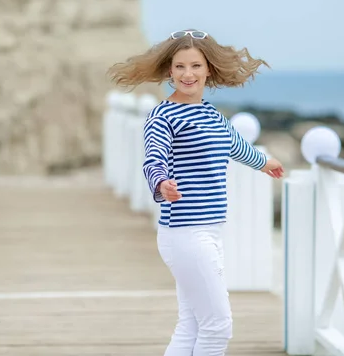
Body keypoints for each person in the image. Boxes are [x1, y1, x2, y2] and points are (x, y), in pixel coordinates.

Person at [107, 29, 284, 356]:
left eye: (195, 66)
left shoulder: (212, 116)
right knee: (218, 326)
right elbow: (153, 158)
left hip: (209, 231)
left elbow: (236, 146)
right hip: (184, 233)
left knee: (191, 323)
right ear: (169, 72)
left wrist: (265, 163)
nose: (188, 74)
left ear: (209, 70)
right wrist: (162, 184)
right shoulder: (163, 115)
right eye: (179, 67)